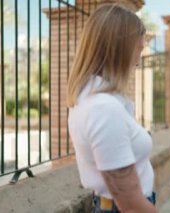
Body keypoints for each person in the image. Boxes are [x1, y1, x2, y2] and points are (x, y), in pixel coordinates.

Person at [67, 4, 156, 213]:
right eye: (138, 49)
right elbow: (131, 204)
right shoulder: (103, 109)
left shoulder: (96, 99)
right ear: (120, 50)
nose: (138, 60)